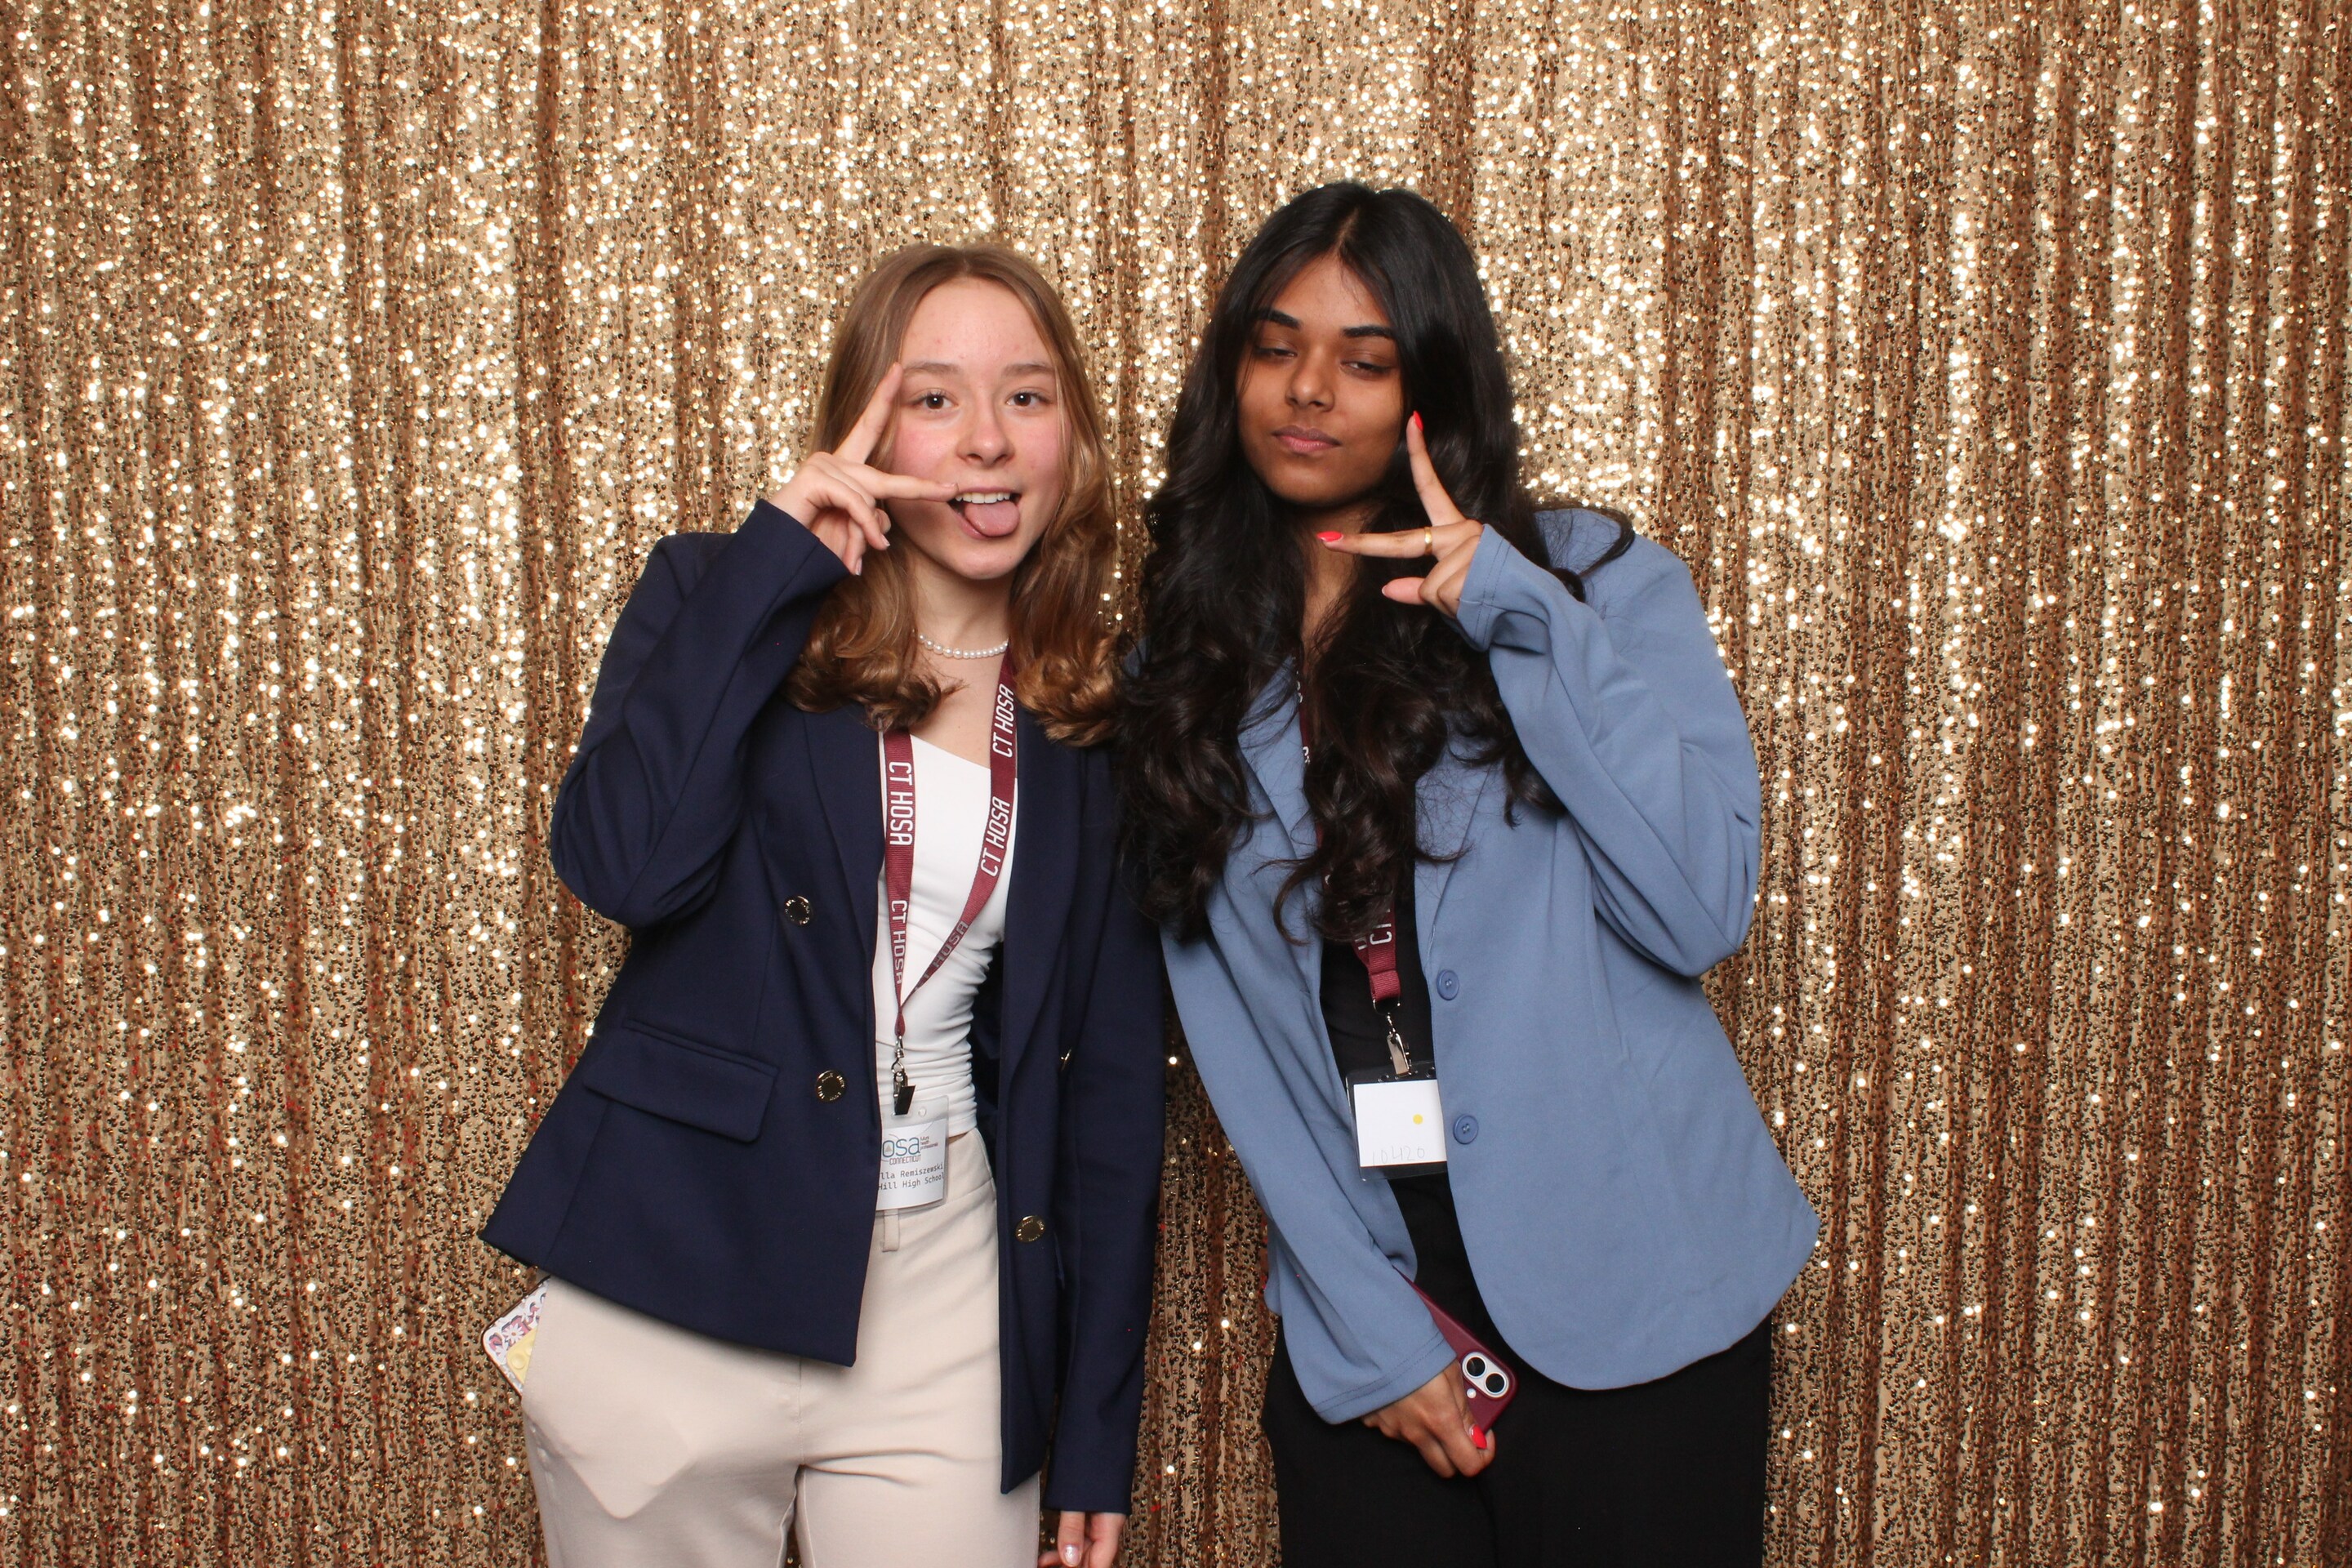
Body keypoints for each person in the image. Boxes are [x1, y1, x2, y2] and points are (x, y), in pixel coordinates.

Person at [1116, 183, 1818, 1566]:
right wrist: (1371, 1332)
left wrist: (1513, 610)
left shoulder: (1595, 585)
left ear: (1430, 386)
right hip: (1376, 1307)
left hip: (1637, 1289)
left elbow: (1698, 906)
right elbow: (1232, 1045)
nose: (1309, 390)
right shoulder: (1186, 662)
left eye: (1366, 359)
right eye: (1275, 347)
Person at [484, 243, 1165, 1568]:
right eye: (935, 398)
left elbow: (1112, 1084)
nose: (985, 439)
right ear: (866, 422)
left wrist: (1094, 1420)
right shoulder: (722, 596)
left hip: (947, 1297)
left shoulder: (1099, 708)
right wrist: (776, 564)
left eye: (1027, 397)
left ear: (1073, 438)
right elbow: (623, 867)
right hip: (679, 1272)